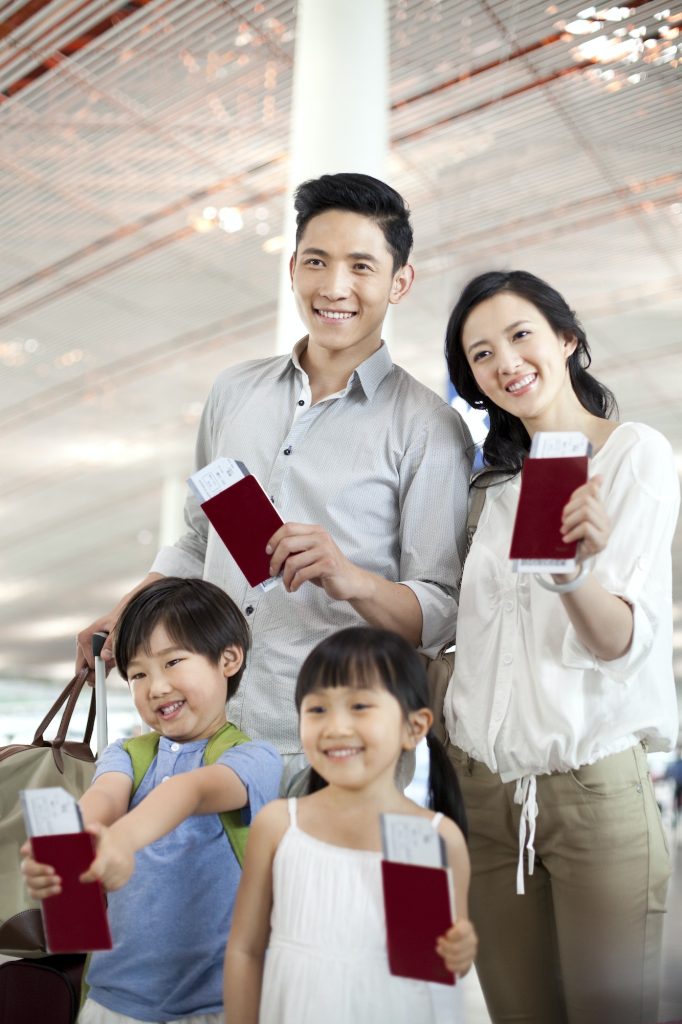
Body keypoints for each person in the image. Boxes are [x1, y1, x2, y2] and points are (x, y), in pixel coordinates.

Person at [75, 172, 471, 772]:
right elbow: (199, 538)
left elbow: (440, 609)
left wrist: (350, 576)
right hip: (208, 730)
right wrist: (128, 607)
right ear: (292, 269)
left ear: (400, 281)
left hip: (331, 746)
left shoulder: (429, 427)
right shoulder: (235, 391)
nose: (334, 286)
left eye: (362, 267)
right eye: (317, 261)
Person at [442, 270, 679, 1024]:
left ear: (566, 339)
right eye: (480, 355)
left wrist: (570, 574)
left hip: (592, 796)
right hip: (484, 796)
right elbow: (456, 640)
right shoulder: (489, 493)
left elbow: (621, 641)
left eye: (519, 336)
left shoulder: (633, 456)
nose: (504, 362)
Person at [23, 576, 282, 1024]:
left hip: (214, 1005)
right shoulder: (125, 754)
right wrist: (69, 844)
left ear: (229, 659)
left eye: (173, 662)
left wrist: (118, 841)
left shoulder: (254, 758)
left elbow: (190, 792)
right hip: (112, 1000)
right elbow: (103, 799)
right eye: (138, 674)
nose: (156, 686)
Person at [224, 625, 477, 1024]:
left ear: (414, 727)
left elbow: (439, 961)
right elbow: (244, 950)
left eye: (359, 706)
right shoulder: (279, 824)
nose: (336, 727)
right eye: (317, 709)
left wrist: (461, 951)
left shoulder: (432, 837)